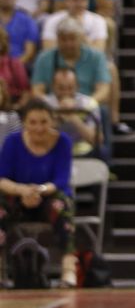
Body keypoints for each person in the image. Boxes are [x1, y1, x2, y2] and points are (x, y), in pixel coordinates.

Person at [0, 100, 77, 287]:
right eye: (33, 122)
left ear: (53, 121)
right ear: (24, 123)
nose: (39, 128)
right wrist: (22, 191)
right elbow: (2, 178)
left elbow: (61, 180)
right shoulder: (12, 142)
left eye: (44, 122)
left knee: (61, 205)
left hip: (48, 198)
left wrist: (38, 191)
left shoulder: (63, 142)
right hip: (18, 197)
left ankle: (68, 269)